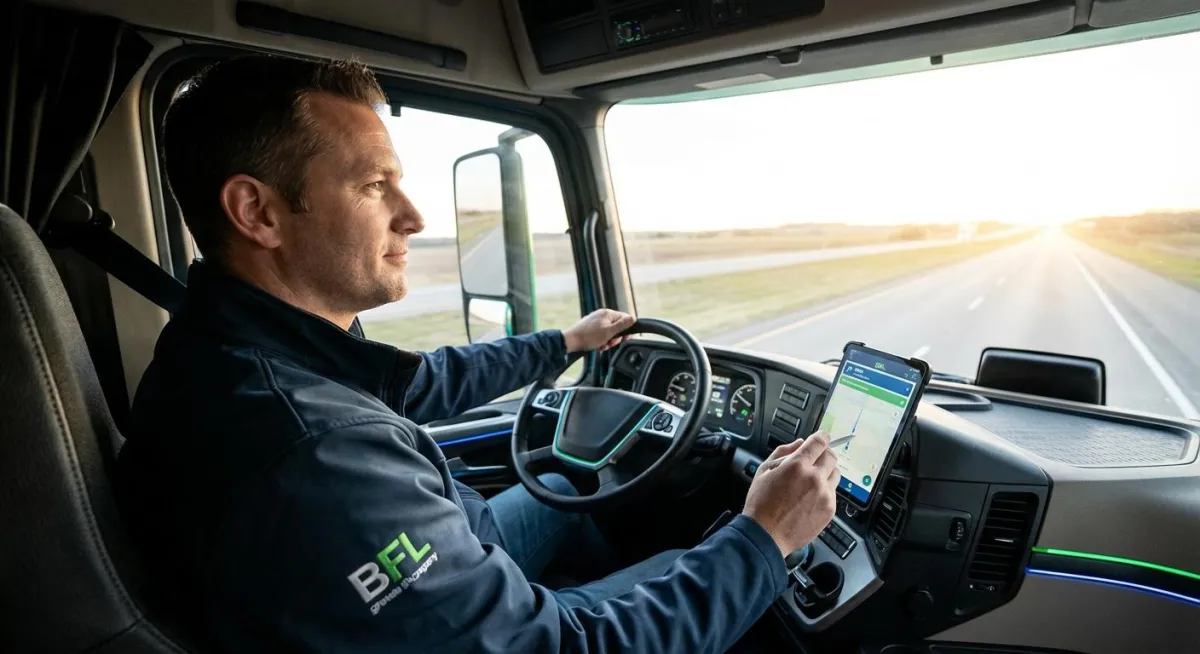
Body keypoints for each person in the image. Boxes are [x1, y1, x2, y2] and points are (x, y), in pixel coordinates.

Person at [115, 55, 841, 653]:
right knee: (737, 584)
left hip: (443, 558)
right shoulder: (319, 459)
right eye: (375, 185)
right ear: (259, 213)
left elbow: (426, 383)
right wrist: (762, 538)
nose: (414, 215)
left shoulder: (240, 349)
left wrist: (564, 342)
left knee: (568, 486)